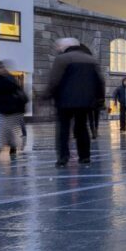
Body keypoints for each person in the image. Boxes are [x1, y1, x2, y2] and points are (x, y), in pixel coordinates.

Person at [47, 38, 105, 167]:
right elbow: (100, 82)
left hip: (64, 100)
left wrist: (47, 95)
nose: (58, 48)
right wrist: (100, 99)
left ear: (67, 46)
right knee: (82, 128)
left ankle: (63, 157)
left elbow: (54, 80)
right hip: (85, 101)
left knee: (63, 130)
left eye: (60, 46)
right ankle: (85, 156)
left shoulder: (62, 59)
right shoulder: (91, 59)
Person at [0, 61, 27, 158]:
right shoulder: (4, 79)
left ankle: (9, 146)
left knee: (6, 130)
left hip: (9, 110)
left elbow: (16, 92)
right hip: (2, 110)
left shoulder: (5, 79)